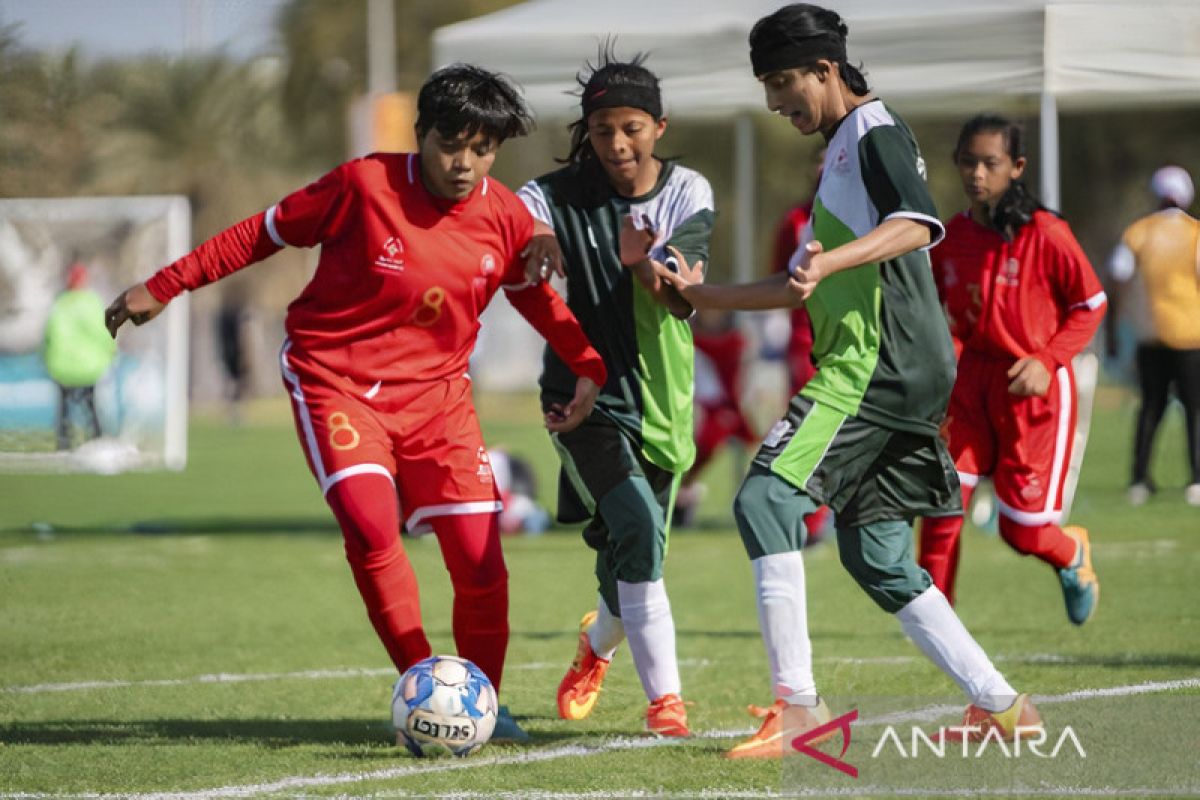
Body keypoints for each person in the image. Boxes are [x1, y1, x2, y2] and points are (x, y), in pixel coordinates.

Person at [104, 64, 608, 743]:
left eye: (482, 149)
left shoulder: (504, 216)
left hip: (439, 402)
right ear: (421, 133)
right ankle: (423, 693)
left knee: (482, 563)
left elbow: (531, 293)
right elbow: (260, 233)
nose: (464, 164)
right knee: (372, 530)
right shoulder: (363, 185)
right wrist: (163, 286)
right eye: (450, 144)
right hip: (335, 382)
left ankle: (481, 708)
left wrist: (586, 363)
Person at [655, 3, 1041, 758]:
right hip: (906, 367)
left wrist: (832, 259)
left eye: (781, 82)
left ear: (825, 70)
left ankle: (797, 708)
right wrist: (702, 297)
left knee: (766, 500)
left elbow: (919, 222)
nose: (774, 101)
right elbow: (800, 284)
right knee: (877, 557)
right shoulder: (841, 151)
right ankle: (1003, 705)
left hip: (876, 364)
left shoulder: (873, 131)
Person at [517, 48, 714, 737]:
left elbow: (686, 303)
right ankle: (667, 703)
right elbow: (520, 214)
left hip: (664, 397)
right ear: (588, 133)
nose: (618, 143)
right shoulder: (557, 194)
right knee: (635, 528)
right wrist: (537, 234)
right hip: (582, 396)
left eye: (631, 127)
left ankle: (596, 644)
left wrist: (643, 270)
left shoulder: (689, 191)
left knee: (632, 556)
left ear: (659, 126)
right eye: (603, 130)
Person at [916, 115, 1106, 626]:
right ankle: (938, 625)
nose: (977, 173)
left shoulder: (1047, 233)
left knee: (1021, 532)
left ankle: (1070, 553)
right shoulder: (951, 239)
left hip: (1033, 393)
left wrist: (1048, 360)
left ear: (1016, 167)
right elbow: (943, 319)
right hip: (971, 388)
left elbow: (1090, 303)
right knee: (942, 505)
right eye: (968, 161)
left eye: (990, 163)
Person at [1108, 165, 1200, 507]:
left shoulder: (1139, 232)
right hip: (1192, 335)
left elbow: (1117, 278)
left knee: (1150, 408)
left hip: (1150, 334)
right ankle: (1197, 479)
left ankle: (1139, 479)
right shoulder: (1195, 233)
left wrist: (1114, 330)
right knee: (1195, 410)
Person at [44, 262, 116, 450]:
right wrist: (111, 352)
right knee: (91, 408)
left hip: (63, 368)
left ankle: (64, 444)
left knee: (65, 409)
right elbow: (104, 333)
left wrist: (48, 359)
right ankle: (97, 441)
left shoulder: (59, 303)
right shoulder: (92, 302)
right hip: (88, 367)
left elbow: (50, 336)